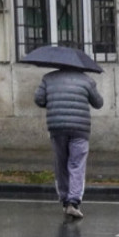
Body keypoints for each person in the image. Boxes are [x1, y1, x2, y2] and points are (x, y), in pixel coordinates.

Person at [34, 66, 104, 219]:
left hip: (57, 127)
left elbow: (39, 100)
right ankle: (74, 201)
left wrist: (53, 102)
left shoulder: (48, 78)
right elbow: (98, 103)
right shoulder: (87, 80)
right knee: (76, 164)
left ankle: (65, 200)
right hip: (80, 128)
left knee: (61, 163)